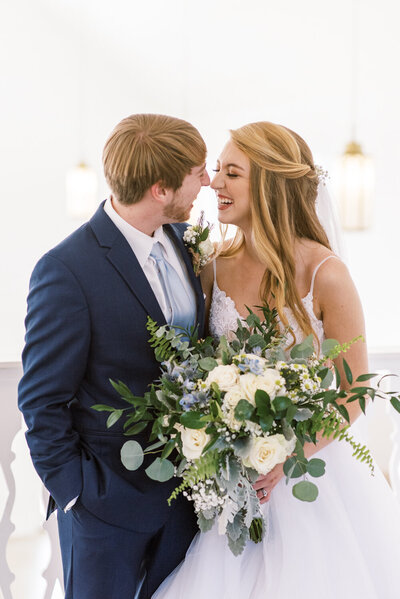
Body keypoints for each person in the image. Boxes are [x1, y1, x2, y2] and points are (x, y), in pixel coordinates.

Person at [152, 121, 400, 598]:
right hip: (231, 481)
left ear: (268, 184)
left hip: (310, 476)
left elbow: (352, 391)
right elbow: (199, 363)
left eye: (232, 173)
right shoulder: (211, 265)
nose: (215, 183)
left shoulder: (326, 274)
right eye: (218, 170)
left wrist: (289, 457)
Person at [18, 113, 210, 599]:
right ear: (161, 189)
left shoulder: (183, 243)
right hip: (105, 512)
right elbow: (41, 401)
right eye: (198, 171)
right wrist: (79, 495)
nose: (207, 181)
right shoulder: (66, 270)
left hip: (187, 502)